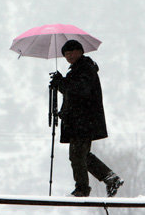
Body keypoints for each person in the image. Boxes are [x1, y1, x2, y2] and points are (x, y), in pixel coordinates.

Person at [49, 39, 124, 197]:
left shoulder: (84, 69)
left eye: (71, 52)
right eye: (66, 54)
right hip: (81, 121)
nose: (68, 56)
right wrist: (62, 82)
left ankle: (83, 189)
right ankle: (110, 178)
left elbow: (78, 91)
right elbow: (73, 91)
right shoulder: (80, 69)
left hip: (83, 122)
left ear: (80, 52)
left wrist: (61, 83)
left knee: (77, 155)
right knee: (81, 155)